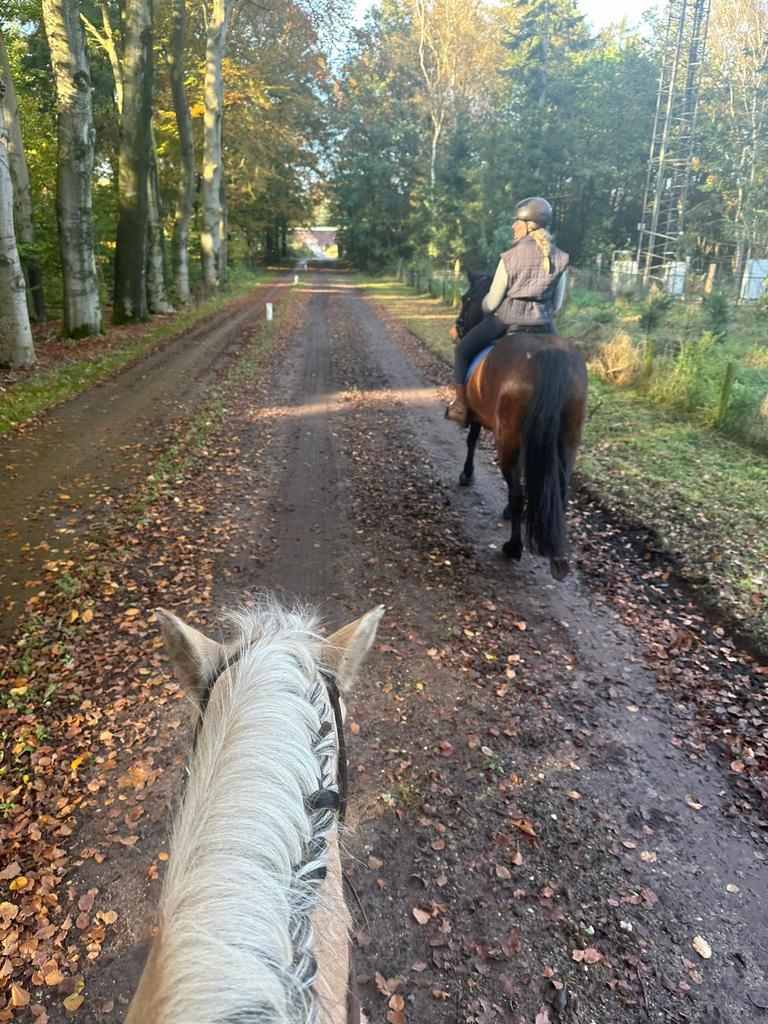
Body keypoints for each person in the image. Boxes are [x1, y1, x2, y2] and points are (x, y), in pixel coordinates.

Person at [446, 197, 569, 427]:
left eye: (517, 221)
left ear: (528, 225)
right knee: (565, 364)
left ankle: (461, 406)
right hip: (543, 323)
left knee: (462, 350)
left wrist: (482, 307)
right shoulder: (561, 258)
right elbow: (557, 304)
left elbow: (492, 304)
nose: (513, 225)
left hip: (506, 320)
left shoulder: (509, 257)